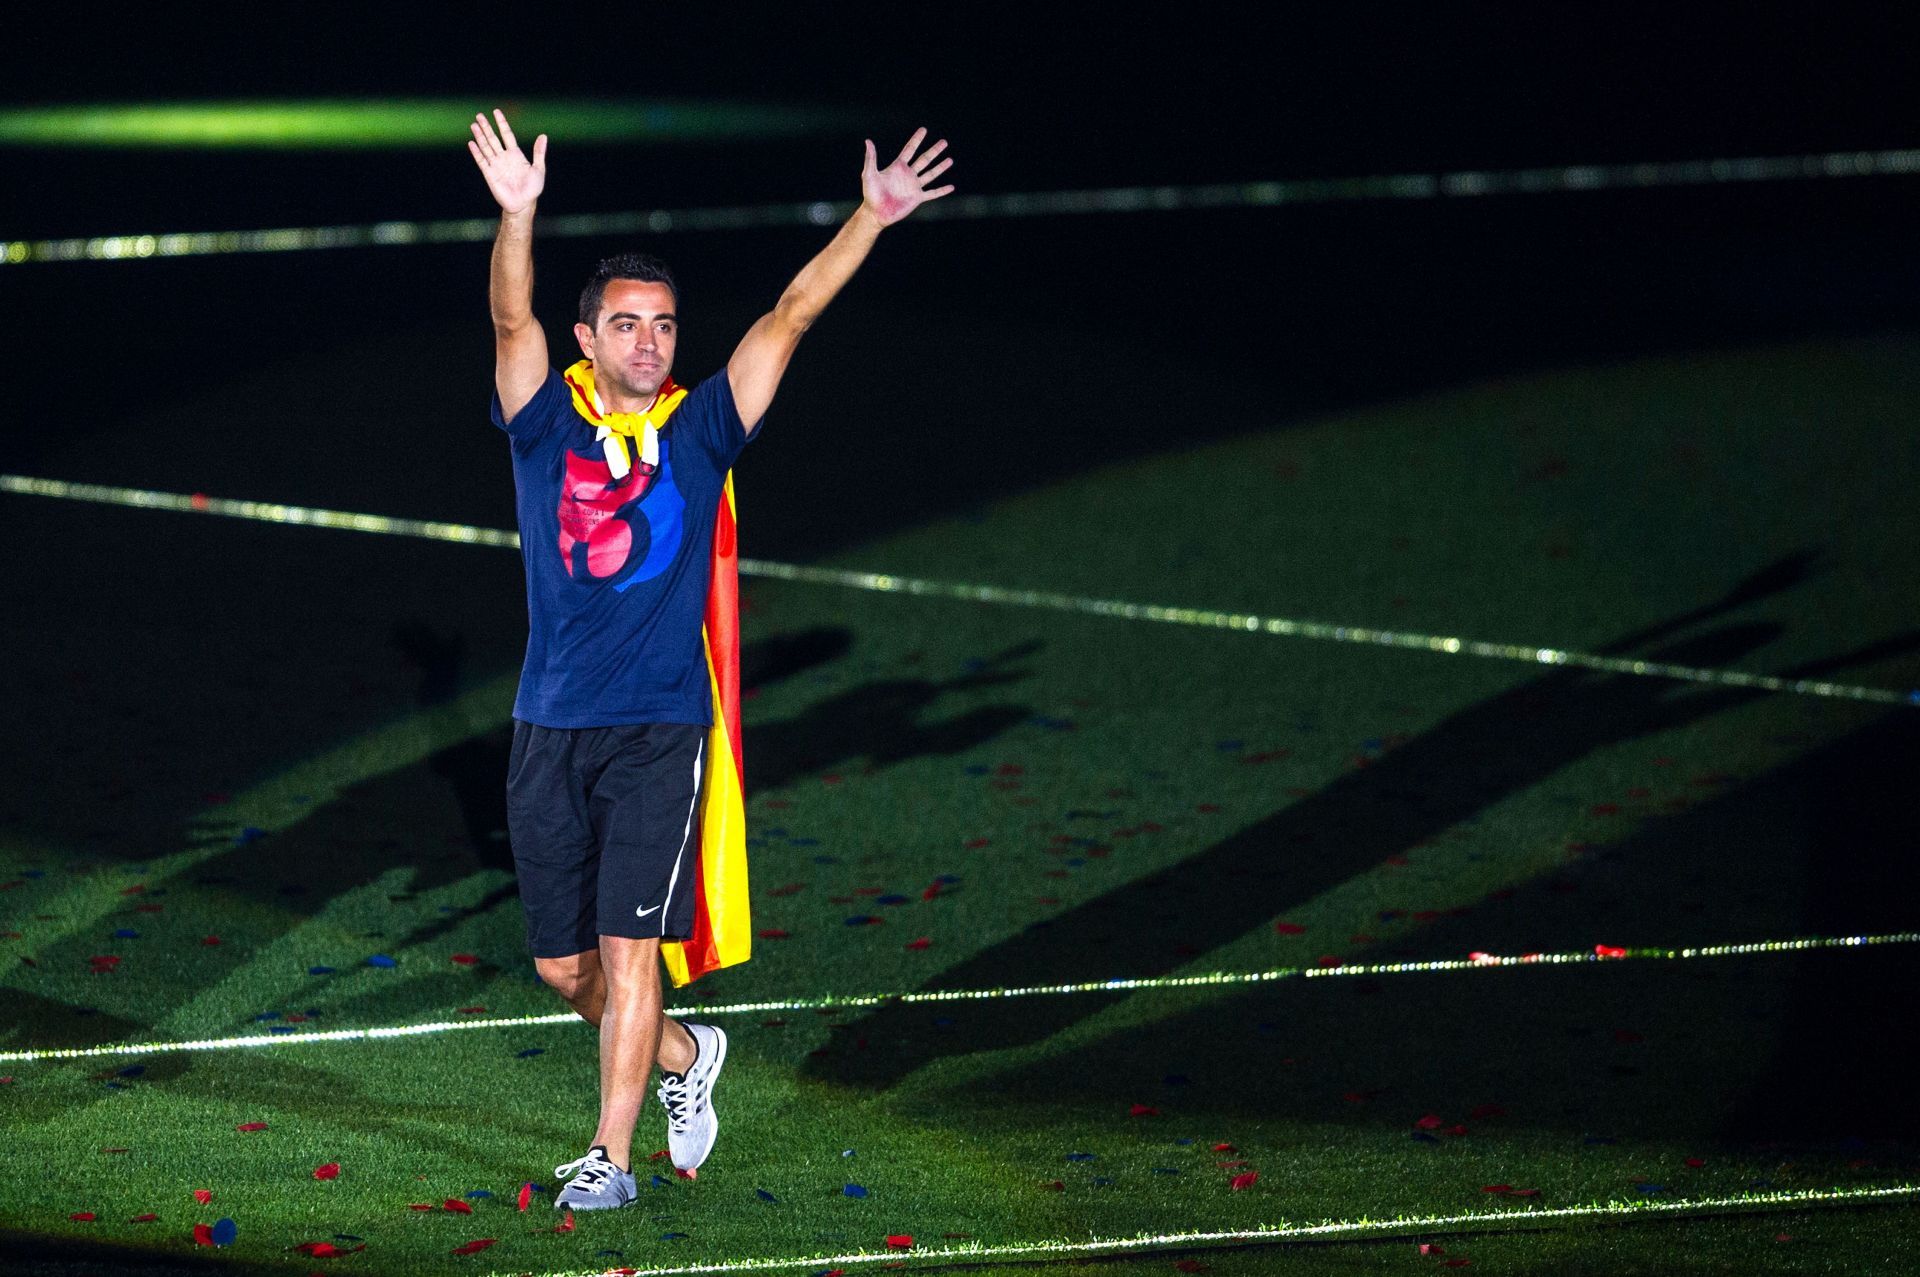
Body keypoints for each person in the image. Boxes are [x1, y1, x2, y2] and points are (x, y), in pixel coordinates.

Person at [465, 108, 954, 1210]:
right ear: (587, 339)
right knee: (561, 968)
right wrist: (517, 215)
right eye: (627, 324)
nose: (650, 340)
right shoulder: (544, 428)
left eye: (665, 325)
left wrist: (869, 220)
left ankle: (611, 1154)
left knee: (630, 953)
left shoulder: (703, 433)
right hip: (549, 724)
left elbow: (791, 313)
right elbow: (508, 319)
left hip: (659, 729)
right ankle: (691, 1055)